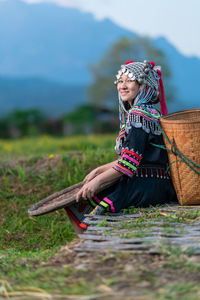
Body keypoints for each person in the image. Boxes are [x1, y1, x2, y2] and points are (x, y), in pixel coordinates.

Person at [65, 60, 177, 234]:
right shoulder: (153, 113)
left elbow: (128, 164)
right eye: (120, 81)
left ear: (143, 85)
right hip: (160, 183)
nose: (123, 86)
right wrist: (98, 170)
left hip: (142, 184)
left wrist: (97, 181)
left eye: (130, 81)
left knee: (78, 202)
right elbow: (136, 157)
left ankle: (87, 247)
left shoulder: (137, 115)